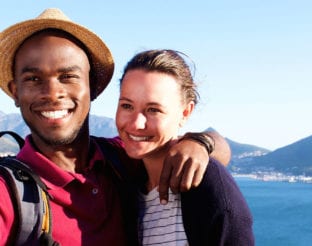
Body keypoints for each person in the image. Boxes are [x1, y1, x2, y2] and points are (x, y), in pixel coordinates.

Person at [0, 9, 231, 245]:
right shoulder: (7, 194)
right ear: (16, 91)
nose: (52, 93)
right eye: (33, 79)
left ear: (93, 87)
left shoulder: (120, 158)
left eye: (68, 76)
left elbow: (221, 150)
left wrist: (200, 143)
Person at [116, 49, 254, 245]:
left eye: (153, 110)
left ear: (185, 112)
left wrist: (203, 143)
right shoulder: (120, 178)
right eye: (127, 106)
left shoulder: (207, 184)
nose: (136, 123)